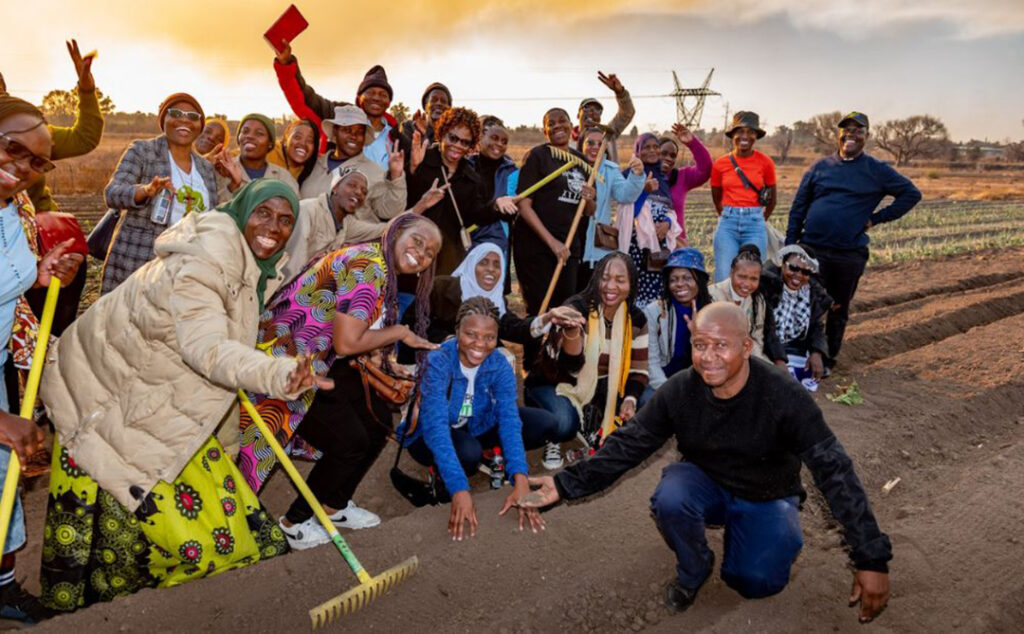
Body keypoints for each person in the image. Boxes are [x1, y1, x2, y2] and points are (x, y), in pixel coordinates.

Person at [38, 180, 324, 612]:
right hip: (104, 400)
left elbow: (220, 341)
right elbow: (206, 347)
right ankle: (121, 614)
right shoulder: (205, 264)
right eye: (264, 213)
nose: (274, 227)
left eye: (286, 220)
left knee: (226, 523)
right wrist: (279, 374)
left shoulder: (250, 264)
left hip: (159, 397)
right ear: (242, 211)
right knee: (175, 536)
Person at [522, 303, 892, 623]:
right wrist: (565, 483)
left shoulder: (782, 395)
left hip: (767, 494)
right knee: (671, 496)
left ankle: (749, 541)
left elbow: (834, 470)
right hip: (707, 484)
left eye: (721, 345)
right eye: (700, 345)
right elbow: (630, 443)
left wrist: (870, 557)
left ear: (746, 347)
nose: (708, 356)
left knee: (755, 581)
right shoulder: (682, 390)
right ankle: (694, 568)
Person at [241, 213, 444, 549]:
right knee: (349, 442)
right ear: (394, 233)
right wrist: (399, 333)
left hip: (317, 357)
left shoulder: (374, 261)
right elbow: (347, 343)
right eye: (417, 242)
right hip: (288, 365)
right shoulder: (369, 267)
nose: (420, 254)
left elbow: (345, 336)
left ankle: (334, 505)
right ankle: (295, 523)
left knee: (377, 421)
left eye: (429, 253)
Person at [0, 94, 84, 623]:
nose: (25, 168)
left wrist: (40, 273)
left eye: (39, 162)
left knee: (3, 486)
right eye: (13, 149)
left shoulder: (14, 209)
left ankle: (3, 587)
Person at [401, 297, 559, 540]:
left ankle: (491, 457)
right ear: (457, 332)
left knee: (544, 423)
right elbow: (435, 430)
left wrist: (520, 478)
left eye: (489, 337)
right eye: (471, 334)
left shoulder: (498, 364)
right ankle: (445, 475)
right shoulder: (438, 362)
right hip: (427, 436)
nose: (480, 344)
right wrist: (460, 489)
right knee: (469, 453)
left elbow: (508, 418)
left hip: (476, 425)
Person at [785, 112, 921, 368]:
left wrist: (875, 219)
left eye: (858, 130)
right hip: (811, 249)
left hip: (848, 254)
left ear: (867, 136)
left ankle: (827, 359)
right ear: (838, 134)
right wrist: (790, 248)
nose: (851, 134)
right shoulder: (819, 167)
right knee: (807, 305)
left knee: (837, 308)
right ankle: (800, 357)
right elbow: (798, 209)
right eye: (846, 129)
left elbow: (911, 194)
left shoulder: (877, 170)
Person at [525, 252, 649, 468]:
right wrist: (572, 332)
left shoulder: (636, 319)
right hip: (557, 382)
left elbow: (639, 370)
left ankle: (595, 421)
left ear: (631, 285)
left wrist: (630, 399)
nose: (611, 286)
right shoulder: (576, 308)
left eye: (620, 280)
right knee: (565, 424)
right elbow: (569, 365)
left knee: (648, 400)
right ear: (596, 278)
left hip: (602, 384)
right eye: (605, 277)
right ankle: (556, 434)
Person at [22, 40, 104, 338]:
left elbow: (85, 137)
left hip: (42, 243)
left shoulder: (31, 135)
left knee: (49, 338)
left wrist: (85, 89)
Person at [100, 92, 218, 294]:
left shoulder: (205, 169)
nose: (184, 119)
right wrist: (144, 191)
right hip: (138, 262)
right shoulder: (143, 151)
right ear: (163, 119)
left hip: (185, 269)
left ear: (199, 126)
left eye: (192, 116)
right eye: (175, 113)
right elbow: (112, 193)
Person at [401, 242, 586, 351]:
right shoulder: (441, 287)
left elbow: (514, 329)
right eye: (484, 262)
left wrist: (548, 317)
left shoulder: (497, 301)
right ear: (472, 264)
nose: (491, 269)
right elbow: (413, 323)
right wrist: (451, 341)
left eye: (497, 264)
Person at [282, 168, 446, 282]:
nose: (358, 192)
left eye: (363, 191)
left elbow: (388, 228)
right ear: (336, 187)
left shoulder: (346, 223)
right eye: (352, 185)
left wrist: (422, 205)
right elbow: (291, 267)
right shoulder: (309, 210)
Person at [407, 107, 517, 275]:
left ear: (471, 145)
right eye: (453, 138)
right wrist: (412, 170)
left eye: (465, 142)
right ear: (442, 133)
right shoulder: (422, 160)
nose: (457, 145)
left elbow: (476, 216)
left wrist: (496, 204)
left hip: (447, 262)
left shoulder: (471, 178)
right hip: (413, 251)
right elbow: (403, 201)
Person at [512, 108, 597, 315]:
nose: (558, 126)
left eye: (562, 121)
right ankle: (535, 348)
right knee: (540, 310)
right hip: (537, 246)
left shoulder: (582, 162)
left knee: (565, 309)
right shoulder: (538, 156)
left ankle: (560, 349)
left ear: (571, 126)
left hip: (568, 248)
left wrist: (589, 198)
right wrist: (552, 243)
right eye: (552, 123)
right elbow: (523, 205)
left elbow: (589, 211)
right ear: (545, 131)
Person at [273, 42, 398, 171]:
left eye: (383, 94)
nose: (377, 98)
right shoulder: (337, 115)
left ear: (389, 102)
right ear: (359, 98)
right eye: (370, 92)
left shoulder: (397, 136)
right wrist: (286, 64)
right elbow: (303, 99)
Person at [299, 105, 407, 216]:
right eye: (347, 130)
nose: (353, 136)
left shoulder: (374, 171)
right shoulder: (314, 164)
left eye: (359, 132)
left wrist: (396, 176)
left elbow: (389, 211)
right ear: (335, 131)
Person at [710, 111, 776, 283]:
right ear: (733, 135)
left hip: (754, 224)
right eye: (740, 131)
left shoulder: (765, 162)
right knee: (724, 275)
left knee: (752, 275)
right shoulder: (720, 164)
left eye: (750, 132)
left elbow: (772, 199)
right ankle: (724, 310)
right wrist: (726, 215)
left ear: (756, 136)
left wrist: (759, 220)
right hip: (727, 224)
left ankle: (748, 310)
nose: (745, 136)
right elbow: (717, 196)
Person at [577, 126, 644, 291]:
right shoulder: (570, 165)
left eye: (600, 144)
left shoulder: (609, 170)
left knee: (593, 298)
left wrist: (637, 174)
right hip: (571, 243)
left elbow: (625, 195)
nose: (595, 147)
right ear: (581, 145)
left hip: (595, 249)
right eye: (590, 142)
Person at [620, 133, 683, 308]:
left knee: (656, 299)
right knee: (634, 296)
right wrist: (645, 190)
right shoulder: (628, 175)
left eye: (656, 147)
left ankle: (653, 332)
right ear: (638, 151)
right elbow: (627, 213)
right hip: (636, 247)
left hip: (658, 249)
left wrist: (667, 224)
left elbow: (668, 209)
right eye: (647, 147)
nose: (653, 151)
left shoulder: (661, 179)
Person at [760, 245, 832, 387]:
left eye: (805, 272)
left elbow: (816, 326)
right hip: (765, 344)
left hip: (793, 345)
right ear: (782, 265)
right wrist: (779, 360)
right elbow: (766, 330)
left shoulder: (813, 293)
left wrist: (817, 352)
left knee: (811, 373)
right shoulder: (766, 286)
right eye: (793, 268)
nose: (798, 275)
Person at [643, 248, 711, 398]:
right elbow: (651, 363)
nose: (679, 284)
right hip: (661, 382)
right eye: (673, 279)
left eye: (687, 278)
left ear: (699, 280)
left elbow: (712, 361)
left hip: (700, 382)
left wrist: (697, 336)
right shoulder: (654, 312)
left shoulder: (712, 312)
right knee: (648, 401)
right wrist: (671, 393)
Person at [709, 244, 786, 365]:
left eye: (753, 279)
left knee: (775, 376)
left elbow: (757, 338)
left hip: (749, 355)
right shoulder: (713, 296)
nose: (747, 284)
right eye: (742, 277)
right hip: (719, 357)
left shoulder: (758, 301)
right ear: (731, 272)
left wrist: (758, 363)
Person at [212, 113, 299, 201]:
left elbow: (296, 209)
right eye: (245, 131)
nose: (249, 136)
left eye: (259, 134)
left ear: (270, 144)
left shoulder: (283, 177)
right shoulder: (221, 170)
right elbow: (211, 209)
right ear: (238, 138)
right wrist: (233, 185)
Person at [465, 116, 518, 259]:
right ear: (481, 137)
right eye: (494, 138)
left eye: (504, 141)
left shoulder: (512, 171)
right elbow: (465, 208)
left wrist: (498, 207)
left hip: (497, 242)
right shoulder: (465, 167)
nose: (499, 144)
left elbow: (510, 212)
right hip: (465, 241)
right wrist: (495, 206)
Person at [659, 123, 712, 244]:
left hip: (677, 244)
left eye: (673, 156)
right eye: (663, 153)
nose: (668, 158)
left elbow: (706, 169)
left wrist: (692, 143)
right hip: (646, 243)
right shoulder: (642, 178)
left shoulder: (681, 177)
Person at [574, 71, 636, 163]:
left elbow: (627, 113)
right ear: (578, 115)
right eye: (586, 108)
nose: (591, 112)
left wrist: (620, 93)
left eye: (597, 110)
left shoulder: (608, 134)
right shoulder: (566, 141)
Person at [267, 118, 321, 187]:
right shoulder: (268, 153)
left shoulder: (315, 167)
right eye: (297, 137)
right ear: (286, 138)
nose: (303, 144)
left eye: (309, 141)